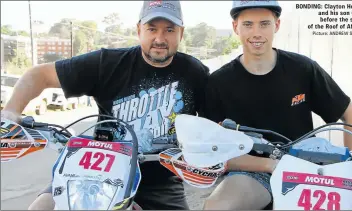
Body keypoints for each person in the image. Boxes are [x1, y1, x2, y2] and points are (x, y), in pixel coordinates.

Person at [1, 1, 209, 210]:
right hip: (98, 170)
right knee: (40, 208)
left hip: (161, 183)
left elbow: (210, 126)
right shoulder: (108, 63)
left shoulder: (195, 72)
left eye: (170, 30)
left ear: (181, 33)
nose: (160, 39)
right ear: (139, 30)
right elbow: (38, 75)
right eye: (152, 29)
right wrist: (10, 113)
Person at [203, 0, 352, 210]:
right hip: (252, 171)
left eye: (264, 23)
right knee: (218, 207)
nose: (257, 32)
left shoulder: (303, 69)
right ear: (236, 27)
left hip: (308, 167)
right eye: (248, 24)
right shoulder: (218, 82)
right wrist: (270, 165)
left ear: (276, 25)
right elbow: (211, 151)